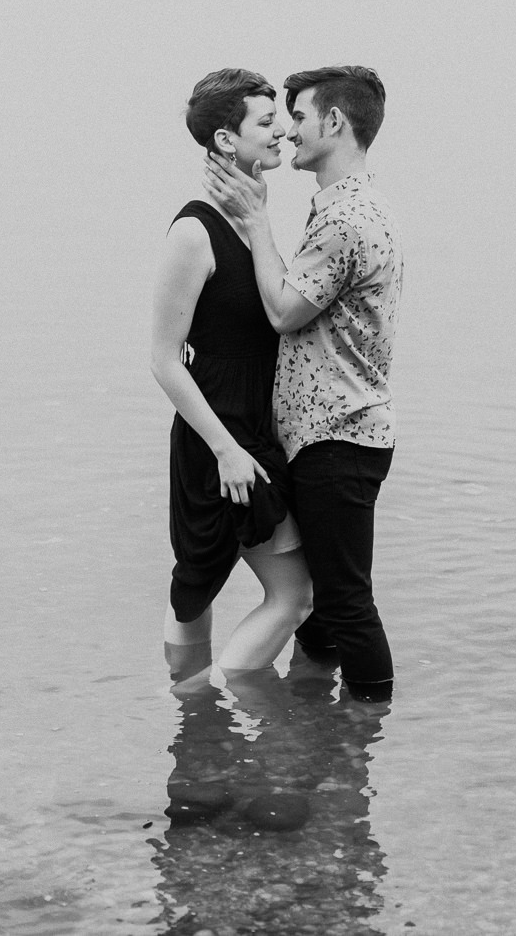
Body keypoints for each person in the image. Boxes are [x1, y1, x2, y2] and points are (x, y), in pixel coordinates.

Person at [204, 65, 402, 702]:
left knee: (345, 601)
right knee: (320, 605)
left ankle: (367, 723)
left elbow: (286, 311)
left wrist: (258, 222)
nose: (288, 132)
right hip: (331, 435)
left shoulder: (348, 219)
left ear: (335, 122)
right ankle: (316, 721)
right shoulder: (344, 208)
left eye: (299, 116)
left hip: (339, 437)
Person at [151, 69, 314, 679]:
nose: (283, 132)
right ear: (226, 140)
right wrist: (225, 450)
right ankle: (202, 702)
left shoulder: (254, 219)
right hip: (220, 437)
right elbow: (164, 357)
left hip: (252, 425)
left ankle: (187, 719)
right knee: (292, 596)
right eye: (266, 122)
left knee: (200, 583)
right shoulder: (194, 230)